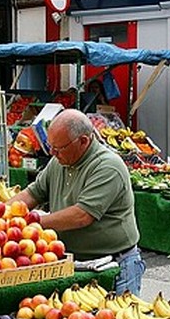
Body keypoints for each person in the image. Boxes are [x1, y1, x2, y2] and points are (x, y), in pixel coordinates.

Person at [8, 109, 144, 294]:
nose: (52, 152)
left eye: (59, 148)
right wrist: (3, 214)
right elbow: (33, 193)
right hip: (73, 263)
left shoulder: (108, 166)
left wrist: (29, 223)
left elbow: (82, 215)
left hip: (114, 265)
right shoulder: (59, 162)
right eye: (50, 146)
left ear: (83, 141)